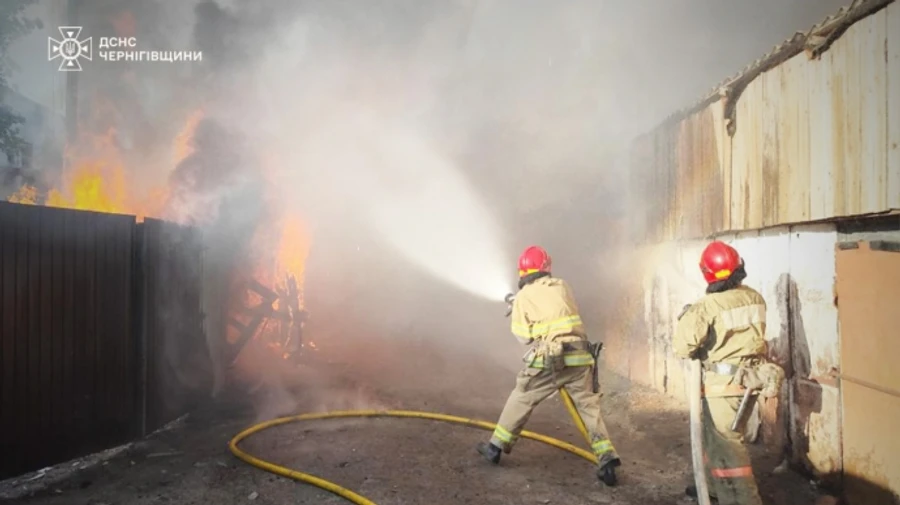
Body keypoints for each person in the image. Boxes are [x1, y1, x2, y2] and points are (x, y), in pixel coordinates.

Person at [475, 245, 622, 486]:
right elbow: (555, 310)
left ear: (523, 272)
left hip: (550, 359)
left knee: (523, 395)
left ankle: (495, 447)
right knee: (588, 406)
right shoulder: (562, 286)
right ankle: (607, 459)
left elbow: (524, 337)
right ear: (546, 269)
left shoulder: (523, 297)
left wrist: (518, 309)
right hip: (580, 357)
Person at [674, 241, 767, 505]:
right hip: (749, 381)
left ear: (707, 273)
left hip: (722, 386)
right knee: (714, 438)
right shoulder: (754, 297)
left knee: (727, 447)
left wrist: (687, 318)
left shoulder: (708, 306)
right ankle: (712, 487)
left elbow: (684, 347)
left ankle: (740, 500)